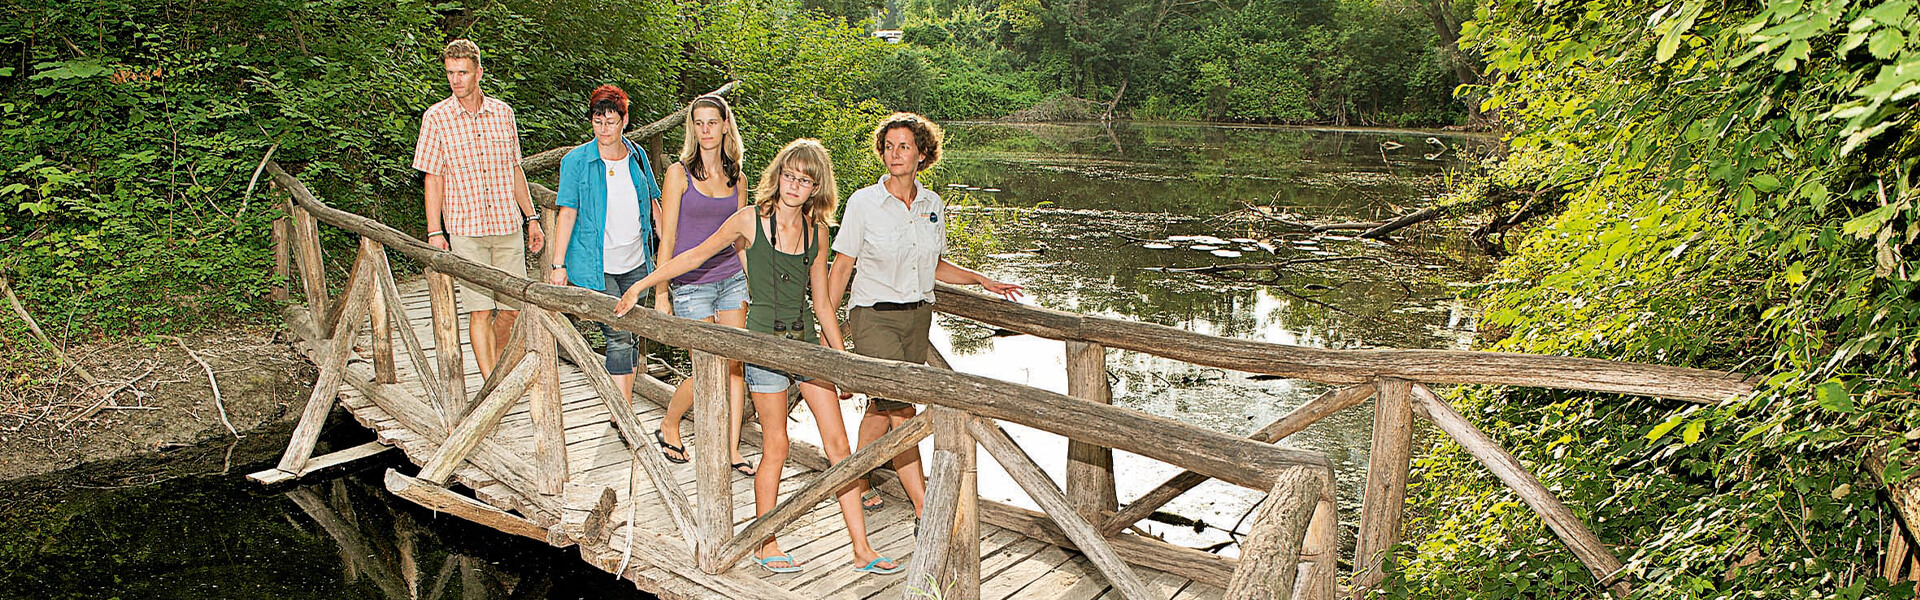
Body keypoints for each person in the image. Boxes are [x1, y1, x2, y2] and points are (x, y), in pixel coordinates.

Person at [615, 140, 902, 576]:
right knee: (777, 445)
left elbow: (822, 303)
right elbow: (695, 254)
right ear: (778, 176)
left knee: (839, 447)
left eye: (804, 180)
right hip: (763, 348)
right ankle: (766, 542)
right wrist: (643, 286)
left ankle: (862, 550)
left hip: (805, 345)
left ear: (816, 187)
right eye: (789, 175)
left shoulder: (817, 232)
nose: (794, 185)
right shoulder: (749, 220)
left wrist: (841, 363)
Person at [826, 113, 1024, 517]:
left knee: (882, 406)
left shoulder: (931, 204)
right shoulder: (863, 202)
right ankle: (924, 505)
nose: (894, 154)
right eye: (889, 146)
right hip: (874, 316)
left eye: (904, 146)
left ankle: (856, 478)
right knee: (903, 411)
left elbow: (933, 266)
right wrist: (829, 335)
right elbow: (842, 267)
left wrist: (980, 279)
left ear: (922, 154)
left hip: (918, 319)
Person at [413, 39, 546, 379]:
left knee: (513, 309)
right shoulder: (436, 118)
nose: (456, 80)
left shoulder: (503, 114)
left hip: (506, 225)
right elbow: (433, 179)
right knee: (480, 310)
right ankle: (491, 383)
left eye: (463, 72)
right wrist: (434, 231)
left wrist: (531, 218)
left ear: (478, 73)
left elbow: (514, 169)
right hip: (465, 228)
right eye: (450, 73)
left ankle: (498, 363)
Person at [651, 95, 752, 474]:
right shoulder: (678, 174)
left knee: (735, 364)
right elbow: (669, 237)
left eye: (713, 122)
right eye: (699, 123)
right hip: (691, 282)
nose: (706, 130)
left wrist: (754, 284)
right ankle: (670, 422)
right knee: (709, 364)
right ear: (692, 128)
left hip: (731, 279)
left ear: (725, 126)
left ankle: (731, 448)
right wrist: (661, 292)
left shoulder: (737, 178)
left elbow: (740, 239)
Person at [544, 84, 661, 404]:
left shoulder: (637, 156)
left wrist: (666, 255)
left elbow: (653, 205)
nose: (604, 129)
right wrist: (558, 265)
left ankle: (623, 402)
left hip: (637, 262)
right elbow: (567, 212)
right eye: (598, 122)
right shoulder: (576, 161)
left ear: (625, 120)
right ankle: (621, 412)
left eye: (611, 122)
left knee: (632, 334)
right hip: (597, 264)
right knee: (618, 335)